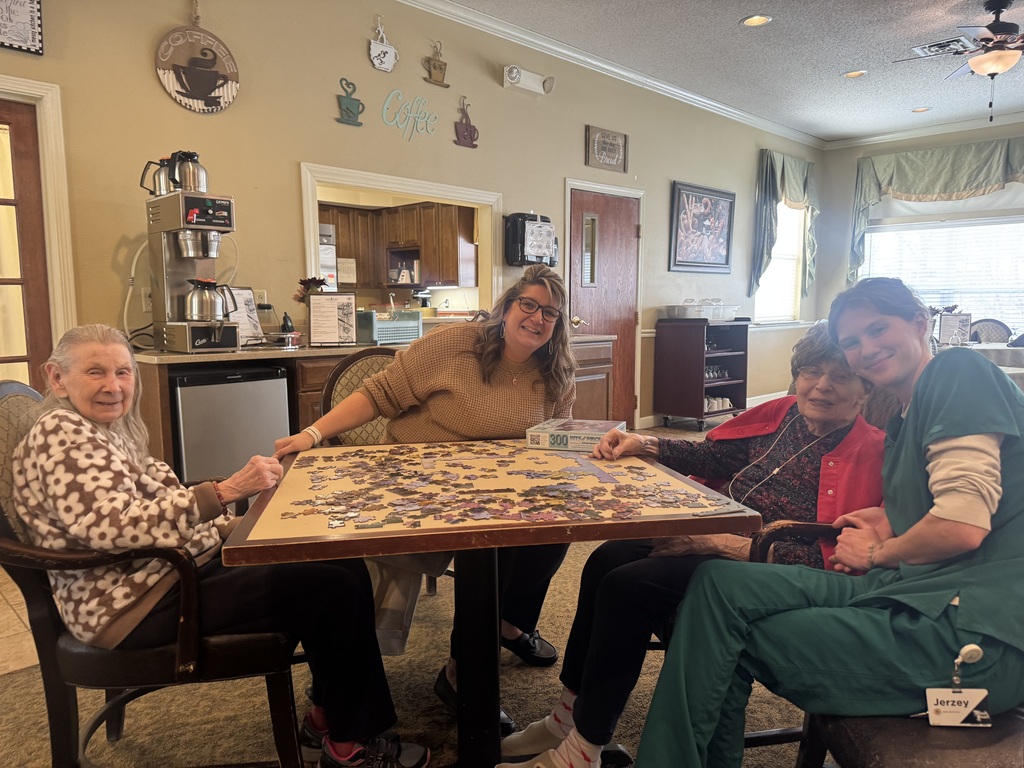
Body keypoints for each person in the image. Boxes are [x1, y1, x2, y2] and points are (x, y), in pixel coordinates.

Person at [636, 277, 1024, 768]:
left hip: (969, 635)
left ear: (920, 324)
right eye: (852, 341)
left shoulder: (956, 372)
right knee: (718, 583)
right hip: (911, 592)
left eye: (878, 329)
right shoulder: (904, 415)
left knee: (723, 638)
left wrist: (878, 551)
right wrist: (888, 518)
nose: (866, 349)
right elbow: (951, 498)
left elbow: (962, 524)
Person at [11, 324, 429, 768]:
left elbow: (147, 510)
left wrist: (238, 528)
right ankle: (353, 747)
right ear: (57, 378)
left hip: (166, 575)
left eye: (123, 372)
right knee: (334, 590)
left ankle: (327, 720)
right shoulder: (62, 432)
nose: (113, 386)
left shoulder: (103, 429)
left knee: (338, 562)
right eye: (96, 372)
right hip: (132, 605)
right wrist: (226, 491)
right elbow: (110, 527)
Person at [498, 324, 885, 768]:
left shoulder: (875, 453)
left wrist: (721, 543)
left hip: (764, 568)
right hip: (718, 532)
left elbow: (830, 560)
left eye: (841, 376)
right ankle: (568, 714)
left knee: (628, 586)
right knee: (606, 557)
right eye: (811, 372)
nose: (821, 386)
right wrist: (646, 442)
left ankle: (583, 750)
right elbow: (714, 456)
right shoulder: (785, 416)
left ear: (864, 389)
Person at [274, 264, 578, 726]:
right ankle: (372, 675)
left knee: (553, 523)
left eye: (549, 313)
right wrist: (312, 433)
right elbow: (379, 393)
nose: (537, 318)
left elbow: (557, 436)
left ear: (557, 325)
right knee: (485, 546)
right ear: (507, 307)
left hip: (500, 488)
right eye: (528, 304)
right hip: (414, 478)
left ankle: (490, 640)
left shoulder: (556, 372)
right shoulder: (454, 344)